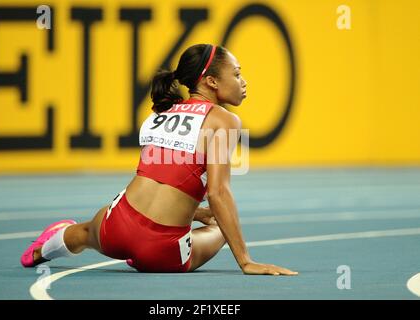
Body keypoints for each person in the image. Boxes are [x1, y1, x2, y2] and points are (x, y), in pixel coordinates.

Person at [20, 44, 298, 276]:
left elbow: (160, 179)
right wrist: (246, 261)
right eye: (237, 74)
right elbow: (218, 192)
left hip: (116, 224)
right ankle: (133, 252)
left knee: (83, 235)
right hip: (160, 251)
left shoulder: (159, 113)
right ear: (211, 81)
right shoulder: (224, 119)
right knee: (222, 224)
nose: (243, 81)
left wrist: (196, 212)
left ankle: (40, 250)